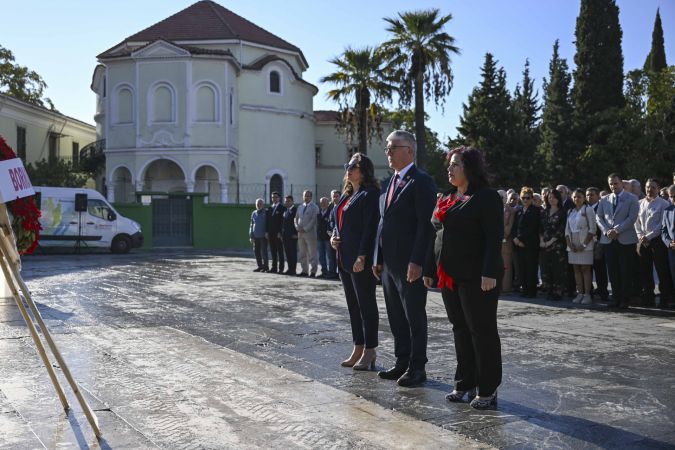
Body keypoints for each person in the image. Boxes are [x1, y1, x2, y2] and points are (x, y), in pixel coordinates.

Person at [423, 146, 503, 410]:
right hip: (450, 276)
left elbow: (494, 237)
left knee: (482, 331)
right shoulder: (447, 196)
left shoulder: (486, 197)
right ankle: (465, 382)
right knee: (460, 329)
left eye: (455, 164)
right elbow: (435, 234)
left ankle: (488, 389)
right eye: (449, 164)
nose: (450, 169)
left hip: (478, 276)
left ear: (469, 168)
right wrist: (429, 269)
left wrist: (489, 271)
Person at [372, 130, 437, 387]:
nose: (388, 152)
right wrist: (378, 257)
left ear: (409, 151)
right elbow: (383, 222)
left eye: (393, 147)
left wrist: (418, 261)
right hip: (389, 263)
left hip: (410, 263)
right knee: (396, 315)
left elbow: (426, 225)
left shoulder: (421, 181)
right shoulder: (392, 181)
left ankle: (417, 366)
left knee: (413, 315)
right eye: (387, 147)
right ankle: (402, 360)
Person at [331, 153, 381, 370]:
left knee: (366, 305)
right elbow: (339, 223)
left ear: (364, 171)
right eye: (348, 166)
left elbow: (370, 228)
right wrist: (334, 237)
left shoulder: (370, 194)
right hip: (343, 258)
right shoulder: (346, 196)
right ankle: (357, 347)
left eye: (354, 166)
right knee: (353, 307)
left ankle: (370, 350)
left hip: (359, 259)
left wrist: (362, 256)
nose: (349, 169)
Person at [596, 173, 639, 308]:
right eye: (610, 184)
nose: (613, 186)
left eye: (615, 183)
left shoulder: (632, 198)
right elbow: (599, 217)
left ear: (621, 183)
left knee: (625, 270)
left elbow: (632, 217)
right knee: (613, 270)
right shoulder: (604, 199)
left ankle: (625, 299)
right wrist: (606, 231)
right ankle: (615, 297)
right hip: (609, 240)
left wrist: (617, 230)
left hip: (625, 239)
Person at [635, 179, 672, 307]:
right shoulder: (640, 203)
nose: (649, 189)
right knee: (645, 270)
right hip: (642, 241)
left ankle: (664, 298)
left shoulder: (664, 204)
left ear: (658, 188)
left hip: (657, 241)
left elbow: (662, 224)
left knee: (661, 270)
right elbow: (636, 222)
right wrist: (640, 235)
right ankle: (648, 297)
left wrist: (649, 236)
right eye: (647, 187)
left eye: (653, 187)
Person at [565, 188, 596, 304]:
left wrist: (584, 244)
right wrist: (569, 244)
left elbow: (592, 229)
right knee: (576, 269)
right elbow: (567, 231)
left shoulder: (588, 210)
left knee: (585, 269)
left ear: (584, 198)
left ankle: (587, 294)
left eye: (579, 196)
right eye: (574, 197)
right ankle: (580, 293)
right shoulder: (570, 211)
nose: (576, 199)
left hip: (585, 243)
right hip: (572, 243)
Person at [540, 189, 567, 300]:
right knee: (546, 268)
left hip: (557, 245)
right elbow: (540, 228)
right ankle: (549, 290)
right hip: (544, 245)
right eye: (550, 197)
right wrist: (542, 241)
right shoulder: (544, 211)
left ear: (558, 198)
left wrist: (551, 241)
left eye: (554, 197)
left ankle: (558, 292)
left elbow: (562, 229)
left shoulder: (562, 212)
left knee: (558, 269)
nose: (552, 199)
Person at [513, 187, 540, 298]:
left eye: (528, 198)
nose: (525, 200)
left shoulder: (535, 210)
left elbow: (532, 228)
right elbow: (515, 226)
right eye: (523, 198)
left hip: (530, 244)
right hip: (518, 244)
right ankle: (524, 289)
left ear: (531, 198)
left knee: (531, 268)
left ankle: (531, 290)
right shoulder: (518, 210)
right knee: (522, 268)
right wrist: (515, 239)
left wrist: (521, 239)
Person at [586, 187, 609, 301]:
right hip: (585, 243)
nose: (589, 197)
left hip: (599, 243)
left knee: (600, 269)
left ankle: (603, 291)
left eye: (592, 195)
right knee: (587, 268)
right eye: (587, 195)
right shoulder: (584, 209)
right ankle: (588, 290)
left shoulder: (602, 208)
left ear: (598, 196)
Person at [294, 190, 319, 277]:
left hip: (310, 233)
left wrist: (305, 228)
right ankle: (304, 271)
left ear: (311, 197)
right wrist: (297, 227)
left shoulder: (314, 207)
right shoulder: (300, 207)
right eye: (305, 196)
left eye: (308, 196)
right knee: (302, 253)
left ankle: (313, 271)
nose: (306, 197)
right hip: (300, 233)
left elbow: (314, 219)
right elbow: (296, 218)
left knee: (312, 254)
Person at [662, 185, 675, 308]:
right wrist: (669, 242)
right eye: (671, 197)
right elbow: (664, 230)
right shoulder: (667, 210)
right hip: (672, 249)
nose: (673, 199)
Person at [317, 197, 337, 279]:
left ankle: (331, 272)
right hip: (320, 238)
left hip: (327, 238)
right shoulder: (319, 213)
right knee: (321, 256)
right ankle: (324, 271)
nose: (323, 204)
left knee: (330, 256)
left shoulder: (330, 212)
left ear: (328, 203)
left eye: (325, 202)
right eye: (321, 202)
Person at [499, 190, 515, 293]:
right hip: (495, 243)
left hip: (505, 242)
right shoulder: (491, 209)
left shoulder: (511, 211)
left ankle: (506, 289)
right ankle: (497, 288)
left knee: (506, 267)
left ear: (506, 198)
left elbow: (508, 228)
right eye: (498, 197)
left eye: (502, 197)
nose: (500, 199)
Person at [265, 191, 285, 273]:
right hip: (270, 233)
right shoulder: (270, 208)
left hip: (278, 234)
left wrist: (280, 232)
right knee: (273, 251)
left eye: (276, 197)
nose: (274, 199)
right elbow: (267, 221)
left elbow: (282, 221)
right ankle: (274, 268)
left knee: (280, 251)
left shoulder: (282, 208)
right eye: (272, 197)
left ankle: (281, 268)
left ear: (279, 198)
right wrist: (266, 232)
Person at [249, 198, 269, 272]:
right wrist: (251, 235)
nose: (259, 205)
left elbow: (268, 223)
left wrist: (267, 233)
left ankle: (266, 267)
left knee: (264, 252)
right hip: (255, 236)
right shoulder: (254, 213)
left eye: (260, 203)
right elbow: (251, 225)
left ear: (263, 205)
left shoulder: (266, 212)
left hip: (263, 236)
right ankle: (260, 266)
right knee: (256, 252)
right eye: (257, 204)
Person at [281, 195, 298, 275]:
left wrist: (296, 233)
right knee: (287, 253)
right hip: (285, 236)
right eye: (286, 201)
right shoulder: (285, 210)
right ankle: (289, 268)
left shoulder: (295, 210)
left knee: (292, 253)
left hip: (292, 236)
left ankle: (293, 269)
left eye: (288, 201)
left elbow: (297, 222)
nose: (287, 202)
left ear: (292, 201)